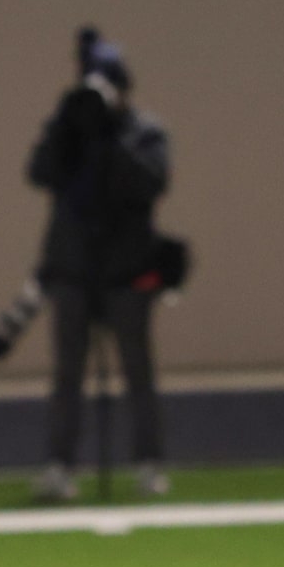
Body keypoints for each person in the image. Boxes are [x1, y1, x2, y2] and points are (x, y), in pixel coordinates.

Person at [25, 27, 172, 501]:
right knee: (67, 374)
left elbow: (151, 184)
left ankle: (149, 463)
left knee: (137, 371)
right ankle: (58, 466)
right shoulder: (69, 127)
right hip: (73, 270)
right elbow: (38, 172)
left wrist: (112, 141)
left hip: (126, 273)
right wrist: (70, 131)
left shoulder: (145, 132)